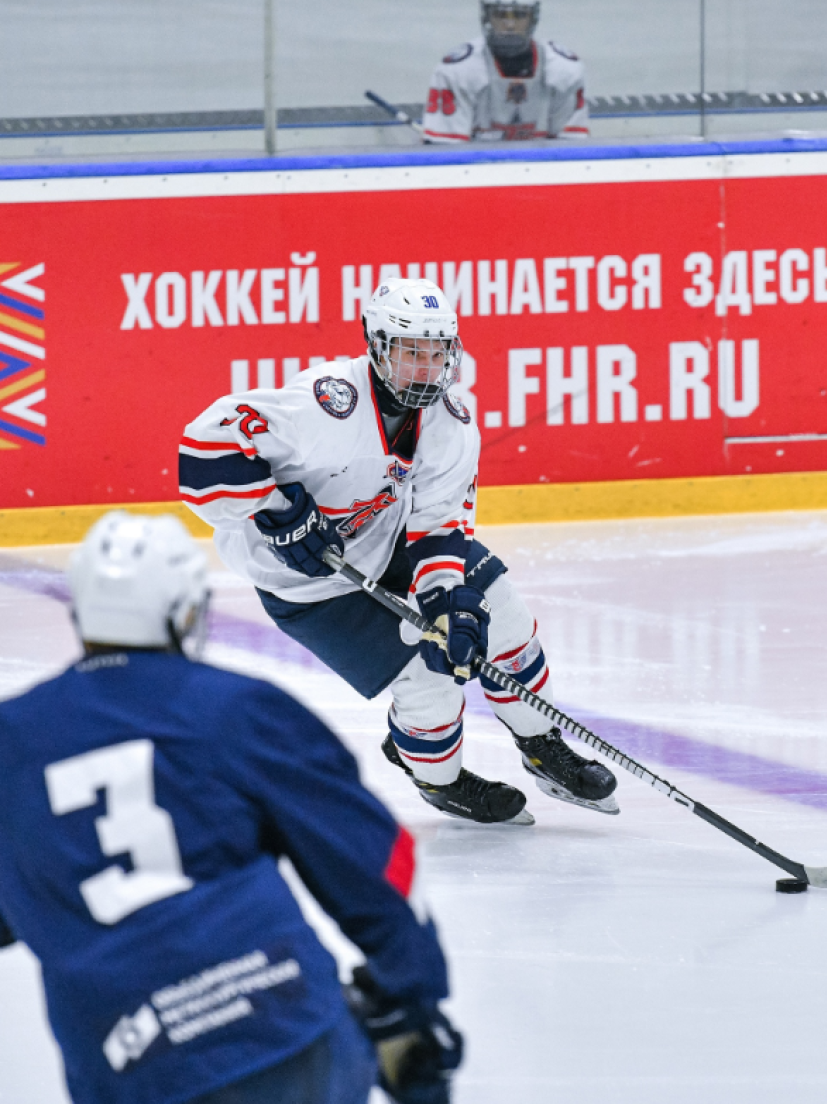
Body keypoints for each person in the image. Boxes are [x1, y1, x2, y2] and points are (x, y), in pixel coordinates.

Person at [0, 512, 461, 1104]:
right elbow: (377, 864)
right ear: (186, 613)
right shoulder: (235, 709)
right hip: (282, 1034)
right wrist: (411, 1000)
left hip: (129, 1069)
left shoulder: (11, 739)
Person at [179, 277, 618, 828]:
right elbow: (202, 452)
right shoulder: (327, 404)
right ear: (377, 343)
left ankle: (542, 744)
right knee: (427, 684)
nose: (426, 369)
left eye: (437, 354)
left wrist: (444, 602)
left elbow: (438, 522)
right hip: (311, 585)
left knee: (499, 615)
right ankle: (440, 781)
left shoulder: (450, 422)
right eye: (412, 352)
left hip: (389, 543)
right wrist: (276, 508)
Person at [422, 0, 589, 144]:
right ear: (486, 16)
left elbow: (571, 152)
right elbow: (445, 156)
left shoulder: (563, 71)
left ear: (533, 17)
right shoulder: (457, 72)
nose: (509, 25)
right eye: (500, 14)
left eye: (519, 15)